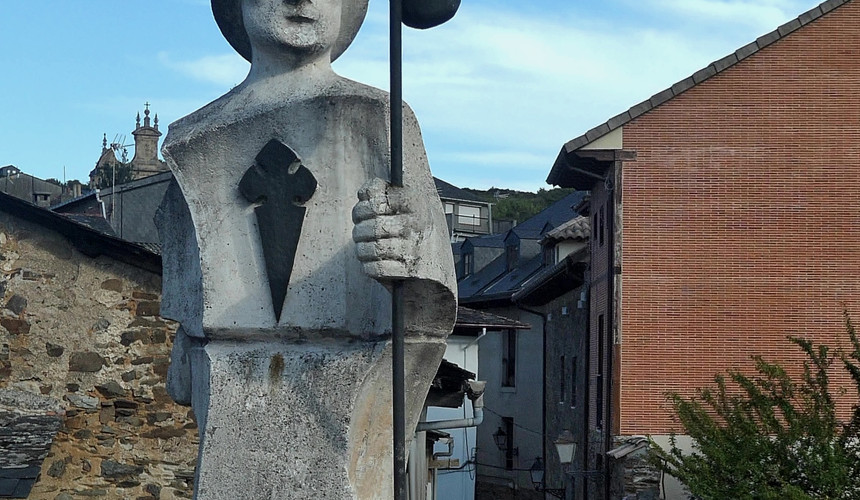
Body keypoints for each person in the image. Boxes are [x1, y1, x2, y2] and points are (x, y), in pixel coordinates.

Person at [156, 0, 456, 497]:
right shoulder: (192, 140)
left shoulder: (380, 120)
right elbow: (184, 327)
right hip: (231, 412)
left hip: (343, 396)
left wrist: (408, 255)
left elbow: (430, 294)